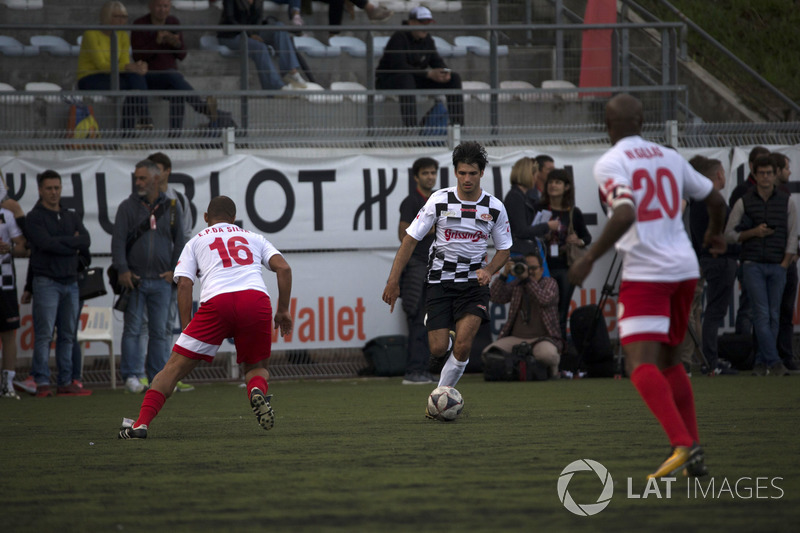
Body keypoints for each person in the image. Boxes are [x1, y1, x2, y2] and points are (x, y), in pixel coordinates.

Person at [568, 93, 728, 479]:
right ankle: (694, 446)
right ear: (643, 123)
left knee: (639, 364)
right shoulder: (670, 156)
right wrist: (715, 234)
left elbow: (625, 211)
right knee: (672, 363)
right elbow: (716, 200)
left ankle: (682, 445)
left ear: (607, 127)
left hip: (647, 270)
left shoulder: (611, 161)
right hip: (685, 268)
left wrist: (589, 258)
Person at [119, 196, 293, 439]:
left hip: (217, 303)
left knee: (172, 369)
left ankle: (140, 424)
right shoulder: (254, 238)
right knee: (257, 368)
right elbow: (284, 268)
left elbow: (184, 285)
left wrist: (187, 325)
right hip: (255, 300)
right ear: (234, 219)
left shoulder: (195, 242)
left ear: (206, 218)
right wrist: (283, 310)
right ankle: (255, 391)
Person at [382, 142, 512, 415]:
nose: (467, 179)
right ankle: (443, 341)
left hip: (474, 285)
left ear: (482, 173)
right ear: (455, 172)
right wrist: (393, 280)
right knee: (439, 347)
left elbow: (504, 250)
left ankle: (438, 402)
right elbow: (409, 239)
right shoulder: (439, 200)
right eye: (462, 173)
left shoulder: (494, 207)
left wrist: (489, 270)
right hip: (440, 281)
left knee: (464, 345)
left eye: (472, 174)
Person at [112, 159, 185, 394]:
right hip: (135, 280)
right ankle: (133, 376)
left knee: (161, 331)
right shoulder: (127, 207)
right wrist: (123, 270)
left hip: (162, 281)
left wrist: (175, 270)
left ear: (155, 178)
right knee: (132, 329)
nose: (138, 182)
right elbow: (118, 242)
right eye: (136, 178)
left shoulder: (172, 206)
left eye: (142, 178)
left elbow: (180, 241)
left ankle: (158, 377)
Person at [725, 155, 797, 377]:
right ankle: (774, 361)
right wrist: (753, 233)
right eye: (761, 173)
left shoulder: (787, 201)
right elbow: (729, 234)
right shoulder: (744, 201)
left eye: (769, 173)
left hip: (777, 265)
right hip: (753, 264)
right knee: (761, 313)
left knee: (773, 315)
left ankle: (761, 360)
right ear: (754, 175)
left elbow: (793, 235)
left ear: (775, 175)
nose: (765, 177)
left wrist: (785, 262)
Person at [24, 171, 93, 397]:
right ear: (40, 190)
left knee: (67, 335)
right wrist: (71, 244)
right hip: (46, 282)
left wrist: (62, 243)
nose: (54, 192)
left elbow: (85, 241)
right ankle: (42, 381)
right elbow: (44, 244)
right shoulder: (34, 217)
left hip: (71, 283)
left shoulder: (70, 215)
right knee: (44, 335)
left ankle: (65, 382)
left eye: (57, 187)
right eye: (49, 188)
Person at [131, 0, 220, 134]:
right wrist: (157, 42)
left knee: (178, 92)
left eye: (165, 6)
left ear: (170, 7)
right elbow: (138, 56)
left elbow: (182, 55)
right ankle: (201, 106)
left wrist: (175, 43)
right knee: (174, 76)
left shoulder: (173, 22)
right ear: (150, 6)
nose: (162, 10)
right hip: (149, 76)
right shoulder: (140, 24)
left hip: (171, 78)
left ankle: (175, 137)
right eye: (159, 6)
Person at [146, 152, 194, 392]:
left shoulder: (178, 200)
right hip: (144, 274)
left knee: (166, 326)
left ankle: (168, 375)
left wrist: (177, 270)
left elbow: (185, 238)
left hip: (170, 274)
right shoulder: (141, 199)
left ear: (167, 171)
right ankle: (141, 376)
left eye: (157, 168)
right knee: (140, 326)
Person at [687, 155, 738, 375]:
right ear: (718, 174)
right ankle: (710, 361)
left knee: (708, 311)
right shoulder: (711, 200)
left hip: (707, 259)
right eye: (724, 173)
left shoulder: (697, 200)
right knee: (714, 312)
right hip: (718, 260)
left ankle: (708, 359)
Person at [375, 7, 464, 129]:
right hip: (390, 80)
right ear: (411, 22)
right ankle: (411, 130)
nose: (425, 27)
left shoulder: (427, 40)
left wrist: (444, 72)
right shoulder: (398, 38)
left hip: (416, 79)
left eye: (428, 23)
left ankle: (458, 127)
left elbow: (436, 60)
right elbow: (399, 66)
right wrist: (428, 74)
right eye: (422, 22)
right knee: (406, 79)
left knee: (454, 78)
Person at [483, 253, 563, 378]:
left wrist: (527, 279)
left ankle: (553, 372)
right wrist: (504, 275)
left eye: (533, 268)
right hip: (517, 338)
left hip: (543, 338)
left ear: (542, 270)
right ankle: (518, 371)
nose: (529, 272)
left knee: (548, 356)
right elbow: (495, 297)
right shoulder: (517, 284)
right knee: (488, 353)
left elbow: (544, 299)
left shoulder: (550, 283)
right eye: (527, 268)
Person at [77, 1, 153, 131]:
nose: (122, 20)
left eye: (124, 17)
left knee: (135, 82)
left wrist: (136, 67)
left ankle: (131, 132)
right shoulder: (91, 34)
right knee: (134, 84)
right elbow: (101, 65)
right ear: (106, 16)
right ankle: (143, 118)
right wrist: (129, 67)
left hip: (112, 75)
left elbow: (123, 61)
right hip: (90, 77)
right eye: (117, 16)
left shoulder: (122, 35)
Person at [536, 168, 591, 342]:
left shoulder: (573, 212)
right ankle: (543, 348)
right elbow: (529, 232)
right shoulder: (540, 208)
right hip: (543, 267)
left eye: (558, 182)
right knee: (544, 310)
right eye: (551, 182)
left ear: (567, 187)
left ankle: (560, 352)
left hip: (566, 267)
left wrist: (578, 240)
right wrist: (542, 231)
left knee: (561, 311)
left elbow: (587, 237)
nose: (553, 186)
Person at [397, 157, 438, 385]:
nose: (430, 177)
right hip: (416, 268)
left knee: (428, 322)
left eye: (433, 173)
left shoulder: (437, 199)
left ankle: (422, 369)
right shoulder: (411, 201)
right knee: (417, 321)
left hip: (433, 268)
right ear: (416, 177)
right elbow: (402, 235)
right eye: (425, 173)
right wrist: (429, 229)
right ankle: (413, 372)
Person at [217, 0, 309, 91]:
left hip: (252, 32)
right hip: (232, 35)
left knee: (279, 27)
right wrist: (250, 35)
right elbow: (230, 19)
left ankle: (291, 72)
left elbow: (258, 19)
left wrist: (255, 33)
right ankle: (277, 88)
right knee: (259, 47)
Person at [728, 146, 770, 338]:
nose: (765, 173)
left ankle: (766, 353)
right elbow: (734, 230)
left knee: (768, 310)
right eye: (761, 167)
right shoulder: (742, 193)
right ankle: (744, 351)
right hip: (750, 258)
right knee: (748, 307)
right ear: (752, 166)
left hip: (771, 257)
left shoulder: (775, 193)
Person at [772, 152, 799, 371]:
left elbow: (792, 230)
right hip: (777, 262)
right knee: (773, 313)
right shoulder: (777, 197)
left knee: (784, 311)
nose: (790, 172)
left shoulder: (785, 196)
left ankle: (784, 355)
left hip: (786, 261)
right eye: (786, 168)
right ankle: (775, 356)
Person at [0, 200, 28, 399]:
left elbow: (23, 248)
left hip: (5, 282)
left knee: (9, 332)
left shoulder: (7, 215)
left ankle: (7, 383)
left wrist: (8, 247)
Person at [503, 157, 557, 257]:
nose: (536, 179)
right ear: (528, 175)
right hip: (521, 253)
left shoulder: (522, 196)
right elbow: (521, 231)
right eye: (535, 175)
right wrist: (547, 226)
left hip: (528, 250)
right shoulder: (515, 197)